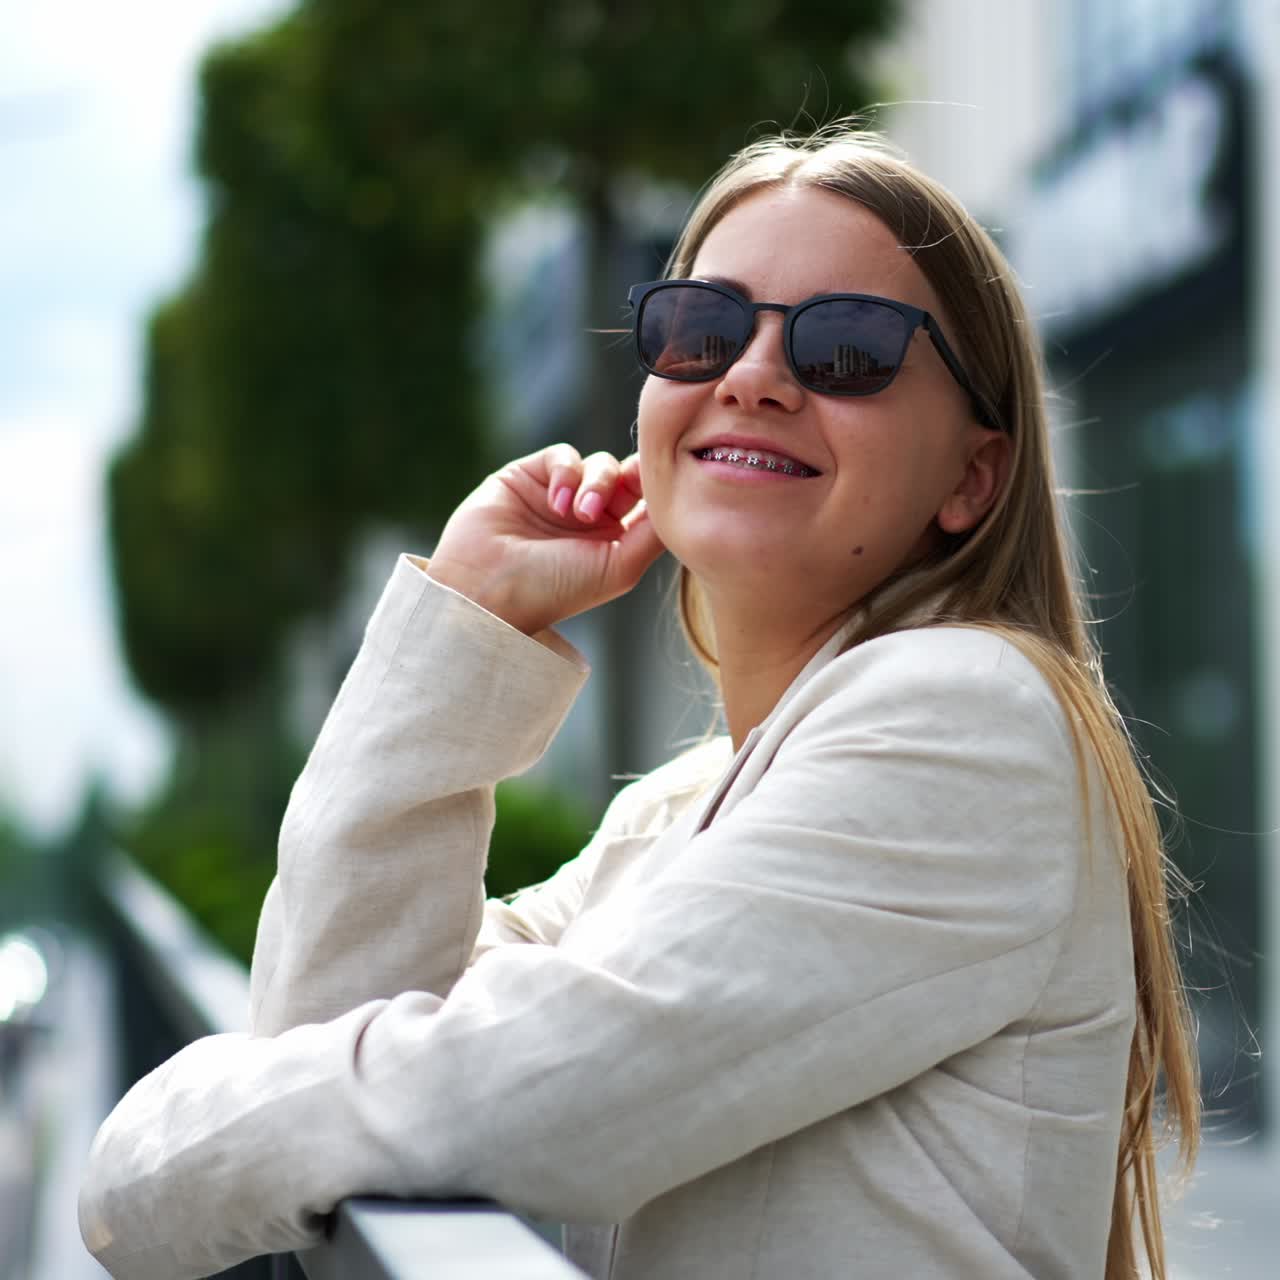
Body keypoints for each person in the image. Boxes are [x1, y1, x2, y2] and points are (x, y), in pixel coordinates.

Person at [79, 125, 1199, 1280]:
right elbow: (340, 1034)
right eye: (700, 328)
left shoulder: (972, 719)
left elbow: (522, 1095)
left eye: (849, 349)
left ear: (972, 475)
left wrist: (158, 1152)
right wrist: (466, 619)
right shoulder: (674, 814)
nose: (752, 374)